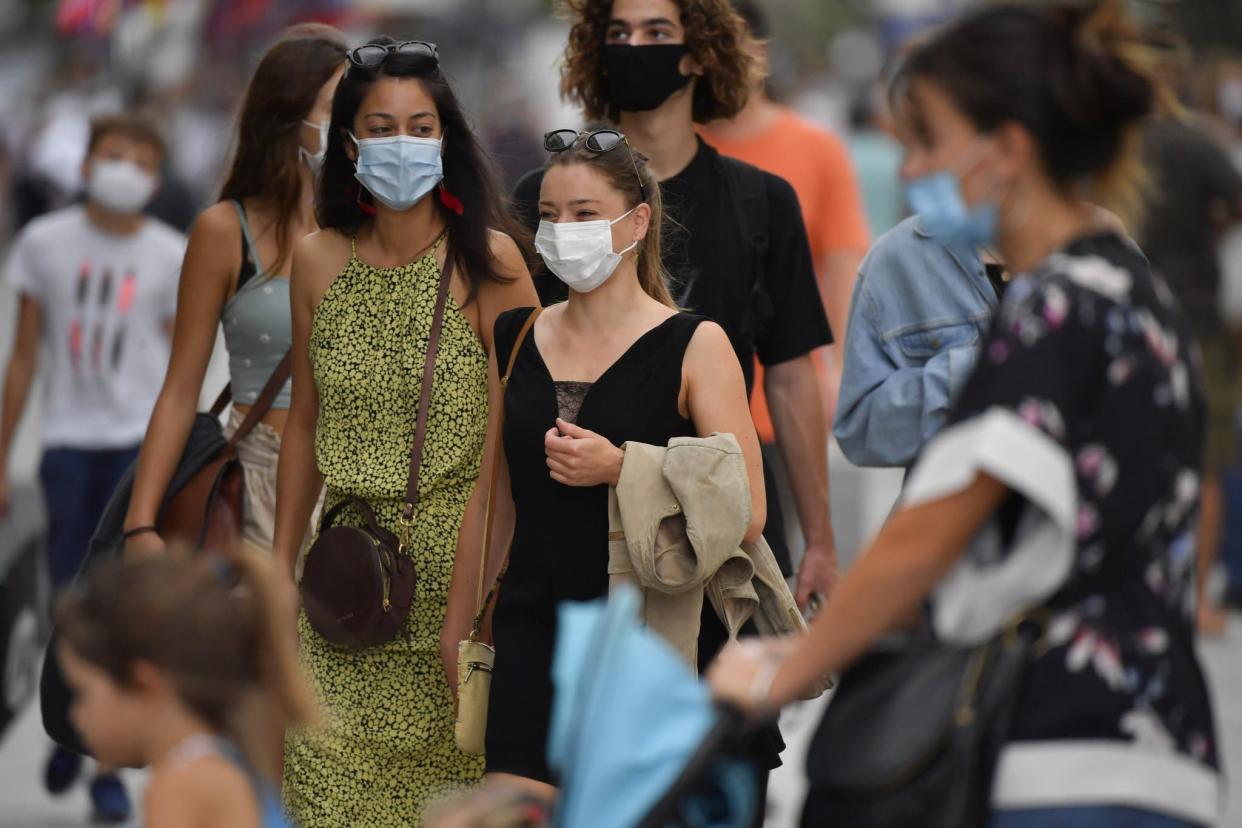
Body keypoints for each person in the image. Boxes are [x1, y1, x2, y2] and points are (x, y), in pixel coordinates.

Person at [710, 2, 1222, 827]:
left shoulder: (1057, 315)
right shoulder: (1129, 295)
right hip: (1154, 744)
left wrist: (797, 661)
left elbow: (931, 534)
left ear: (1008, 150)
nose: (910, 171)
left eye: (929, 142)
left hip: (1061, 750)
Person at [271, 37, 537, 826]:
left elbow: (510, 450)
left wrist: (476, 607)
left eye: (421, 127)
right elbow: (304, 426)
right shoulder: (316, 260)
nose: (402, 145)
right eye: (381, 128)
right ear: (350, 146)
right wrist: (279, 574)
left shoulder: (490, 263)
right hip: (341, 587)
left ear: (447, 140)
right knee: (320, 796)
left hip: (454, 586)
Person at [460, 126, 767, 795]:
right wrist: (461, 629)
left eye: (584, 214)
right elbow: (493, 499)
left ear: (637, 223)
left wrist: (623, 465)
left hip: (651, 632)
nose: (562, 230)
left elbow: (747, 508)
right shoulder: (516, 335)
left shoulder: (695, 343)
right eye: (548, 216)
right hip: (532, 623)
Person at [512, 0, 839, 609]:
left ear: (699, 53)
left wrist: (819, 540)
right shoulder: (544, 200)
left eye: (656, 32)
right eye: (618, 33)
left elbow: (792, 377)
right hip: (568, 518)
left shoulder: (761, 201)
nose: (635, 47)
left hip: (723, 506)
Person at [0, 111, 184, 822]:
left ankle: (102, 761)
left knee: (122, 605)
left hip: (137, 447)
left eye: (141, 161)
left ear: (157, 177)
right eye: (112, 155)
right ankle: (70, 715)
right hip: (68, 444)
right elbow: (23, 358)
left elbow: (182, 356)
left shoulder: (171, 254)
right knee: (70, 601)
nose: (125, 170)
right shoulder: (44, 244)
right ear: (84, 166)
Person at [122, 24, 347, 559]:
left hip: (353, 485)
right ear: (288, 115)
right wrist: (140, 522)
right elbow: (181, 389)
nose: (356, 122)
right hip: (254, 479)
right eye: (339, 104)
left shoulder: (370, 230)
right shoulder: (226, 230)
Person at [54, 547, 318, 828]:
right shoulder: (231, 754)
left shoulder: (179, 788)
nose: (75, 715)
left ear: (144, 686)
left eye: (82, 694)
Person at [701, 0, 871, 424]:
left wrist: (838, 371)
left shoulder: (817, 149)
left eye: (727, 46)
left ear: (761, 52)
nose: (712, 63)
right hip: (685, 405)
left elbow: (843, 261)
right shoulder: (672, 150)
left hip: (786, 401)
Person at [1136, 34, 1242, 635]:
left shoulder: (1111, 143)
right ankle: (1197, 600)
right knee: (1204, 462)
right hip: (1196, 316)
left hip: (1123, 313)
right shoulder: (1194, 141)